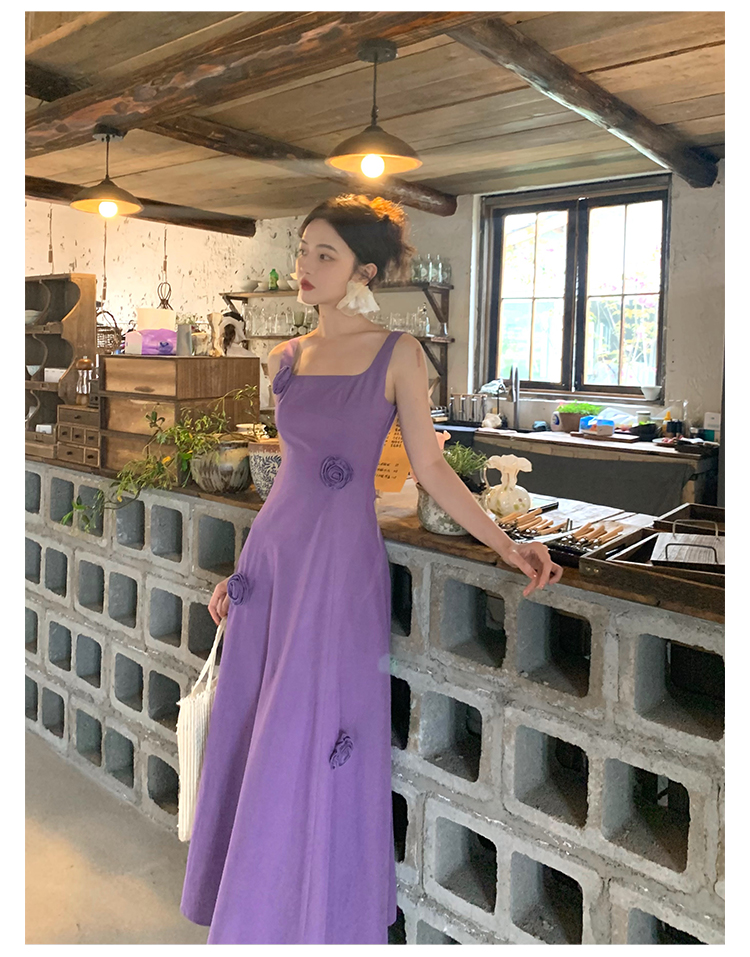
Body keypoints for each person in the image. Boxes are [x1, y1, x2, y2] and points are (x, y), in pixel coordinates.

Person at [179, 194, 563, 945]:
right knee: (257, 727)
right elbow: (287, 479)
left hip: (339, 571)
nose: (306, 266)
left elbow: (432, 470)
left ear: (365, 270)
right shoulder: (287, 358)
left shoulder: (399, 354)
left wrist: (506, 543)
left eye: (325, 254)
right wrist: (240, 572)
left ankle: (312, 917)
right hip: (273, 564)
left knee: (312, 731)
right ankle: (254, 913)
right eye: (303, 251)